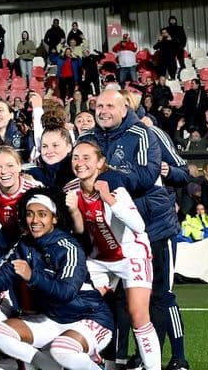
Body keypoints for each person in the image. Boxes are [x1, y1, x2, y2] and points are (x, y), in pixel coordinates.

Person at [79, 90, 189, 370]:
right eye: (98, 105)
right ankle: (121, 358)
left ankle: (178, 359)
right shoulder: (89, 138)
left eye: (109, 106)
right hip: (112, 232)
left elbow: (158, 173)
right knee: (116, 299)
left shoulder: (146, 134)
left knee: (160, 296)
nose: (102, 110)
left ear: (126, 107)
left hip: (153, 228)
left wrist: (110, 178)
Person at [0, 189, 114, 370]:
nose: (35, 220)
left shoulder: (69, 247)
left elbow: (66, 292)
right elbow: (1, 279)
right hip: (52, 319)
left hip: (88, 317)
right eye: (30, 214)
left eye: (42, 214)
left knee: (62, 349)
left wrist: (32, 276)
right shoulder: (25, 244)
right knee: (1, 332)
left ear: (54, 218)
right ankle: (49, 367)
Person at [67, 141, 161, 370]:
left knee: (137, 314)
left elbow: (139, 226)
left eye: (86, 158)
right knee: (85, 309)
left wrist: (109, 199)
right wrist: (72, 210)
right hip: (99, 259)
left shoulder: (115, 189)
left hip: (131, 254)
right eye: (76, 158)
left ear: (100, 163)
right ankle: (92, 358)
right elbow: (79, 231)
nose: (80, 163)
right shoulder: (71, 190)